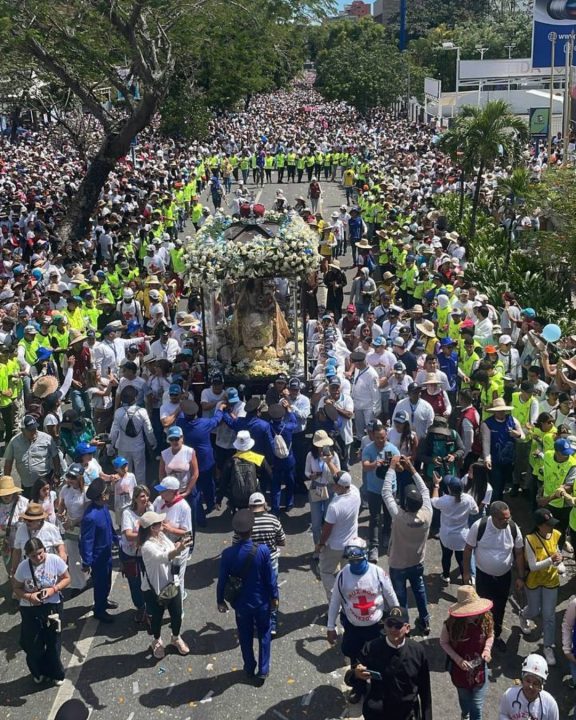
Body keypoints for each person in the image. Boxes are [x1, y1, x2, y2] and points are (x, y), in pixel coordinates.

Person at [327, 537, 398, 704]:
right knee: (355, 660)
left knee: (379, 660)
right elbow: (335, 601)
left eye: (357, 560)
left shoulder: (378, 573)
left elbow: (391, 597)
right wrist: (330, 626)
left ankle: (378, 689)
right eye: (351, 561)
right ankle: (358, 688)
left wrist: (397, 620)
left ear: (365, 555)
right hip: (354, 628)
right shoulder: (343, 576)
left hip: (376, 627)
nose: (355, 564)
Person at [217, 509, 279, 681]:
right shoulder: (263, 551)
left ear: (236, 532)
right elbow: (270, 578)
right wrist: (275, 597)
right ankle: (263, 669)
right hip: (261, 602)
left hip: (241, 604)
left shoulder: (227, 554)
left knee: (244, 636)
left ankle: (249, 667)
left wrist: (220, 600)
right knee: (264, 633)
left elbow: (222, 580)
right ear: (251, 530)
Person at [350, 605, 432, 720]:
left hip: (406, 713)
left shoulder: (418, 651)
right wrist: (356, 673)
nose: (393, 629)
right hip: (378, 713)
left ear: (407, 628)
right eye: (389, 624)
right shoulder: (371, 647)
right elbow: (352, 675)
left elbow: (425, 689)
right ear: (384, 625)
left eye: (398, 625)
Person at [463, 501, 525, 650]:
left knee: (500, 607)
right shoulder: (479, 527)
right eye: (503, 518)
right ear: (493, 517)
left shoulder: (513, 528)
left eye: (508, 517)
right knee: (482, 606)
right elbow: (468, 549)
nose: (507, 521)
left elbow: (519, 552)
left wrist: (521, 576)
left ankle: (494, 636)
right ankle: (481, 635)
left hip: (504, 577)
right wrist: (466, 573)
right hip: (484, 577)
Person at [383, 456, 432, 635]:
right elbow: (425, 490)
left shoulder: (399, 517)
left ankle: (405, 626)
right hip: (417, 561)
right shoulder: (427, 513)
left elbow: (386, 492)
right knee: (419, 591)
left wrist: (391, 467)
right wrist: (412, 468)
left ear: (404, 504)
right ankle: (425, 620)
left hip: (398, 563)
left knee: (400, 596)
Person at [12, 537, 70, 685]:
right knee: (33, 644)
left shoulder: (54, 560)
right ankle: (38, 671)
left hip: (52, 606)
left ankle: (56, 673)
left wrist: (53, 589)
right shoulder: (23, 567)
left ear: (44, 549)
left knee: (53, 642)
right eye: (33, 556)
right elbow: (16, 588)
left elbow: (66, 578)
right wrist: (30, 596)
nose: (38, 558)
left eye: (40, 553)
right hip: (30, 608)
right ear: (27, 556)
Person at [139, 510, 192, 659]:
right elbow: (162, 557)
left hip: (171, 583)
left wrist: (177, 546)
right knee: (156, 618)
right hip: (154, 589)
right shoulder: (147, 547)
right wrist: (178, 549)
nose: (162, 523)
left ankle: (175, 638)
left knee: (177, 614)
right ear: (151, 527)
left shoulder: (161, 536)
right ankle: (156, 641)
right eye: (159, 522)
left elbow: (170, 550)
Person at [440, 586, 494, 720]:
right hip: (460, 672)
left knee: (476, 706)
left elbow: (490, 635)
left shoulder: (486, 618)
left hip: (480, 669)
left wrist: (487, 649)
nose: (475, 613)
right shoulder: (450, 624)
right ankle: (465, 714)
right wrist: (458, 660)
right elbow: (444, 642)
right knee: (464, 701)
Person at [236, 492, 286, 636]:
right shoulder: (273, 520)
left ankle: (254, 622)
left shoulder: (244, 523)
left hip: (250, 564)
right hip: (271, 561)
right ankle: (273, 623)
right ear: (264, 505)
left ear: (249, 507)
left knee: (253, 591)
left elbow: (236, 543)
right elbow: (282, 541)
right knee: (272, 590)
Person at [519, 508, 563, 667]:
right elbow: (533, 565)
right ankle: (523, 615)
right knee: (534, 610)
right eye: (547, 524)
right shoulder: (530, 539)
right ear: (539, 526)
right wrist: (552, 560)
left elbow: (556, 551)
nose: (551, 527)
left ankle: (548, 646)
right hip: (534, 580)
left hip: (551, 580)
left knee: (549, 615)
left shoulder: (556, 534)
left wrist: (560, 562)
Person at [316, 470, 361, 600]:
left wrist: (320, 544)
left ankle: (334, 600)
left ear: (341, 486)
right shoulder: (355, 492)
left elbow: (327, 529)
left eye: (334, 484)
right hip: (351, 543)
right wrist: (329, 461)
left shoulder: (334, 507)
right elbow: (338, 472)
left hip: (335, 546)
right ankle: (348, 599)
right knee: (347, 573)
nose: (332, 486)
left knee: (326, 571)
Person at [79, 478, 118, 624]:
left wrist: (116, 539)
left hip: (106, 553)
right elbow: (87, 541)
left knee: (107, 581)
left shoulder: (103, 507)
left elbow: (110, 526)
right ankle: (99, 610)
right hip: (98, 558)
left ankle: (104, 601)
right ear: (102, 496)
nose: (109, 493)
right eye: (107, 492)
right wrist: (87, 562)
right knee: (100, 584)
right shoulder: (90, 517)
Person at [361, 425, 400, 562]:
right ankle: (374, 546)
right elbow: (365, 466)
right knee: (375, 518)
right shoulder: (368, 449)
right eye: (377, 438)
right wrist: (374, 464)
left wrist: (396, 464)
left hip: (390, 489)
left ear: (386, 436)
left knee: (389, 516)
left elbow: (400, 468)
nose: (380, 440)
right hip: (374, 490)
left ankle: (387, 536)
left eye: (382, 438)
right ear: (373, 436)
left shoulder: (393, 449)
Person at [432, 474, 478, 585]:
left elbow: (433, 501)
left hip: (446, 536)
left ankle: (446, 575)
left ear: (449, 489)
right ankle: (465, 580)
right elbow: (475, 511)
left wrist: (436, 485)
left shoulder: (445, 500)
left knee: (446, 556)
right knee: (462, 560)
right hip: (461, 536)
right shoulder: (468, 499)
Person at [4, 415, 63, 498]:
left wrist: (57, 474)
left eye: (35, 428)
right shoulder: (14, 442)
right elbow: (8, 462)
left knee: (47, 506)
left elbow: (55, 456)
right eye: (30, 430)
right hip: (27, 484)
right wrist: (7, 483)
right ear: (22, 430)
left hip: (45, 481)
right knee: (31, 509)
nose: (34, 431)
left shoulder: (46, 438)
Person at [153, 476, 193, 594]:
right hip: (163, 544)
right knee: (165, 573)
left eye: (163, 490)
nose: (160, 493)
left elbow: (187, 533)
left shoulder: (184, 507)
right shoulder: (159, 500)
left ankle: (178, 603)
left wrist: (171, 529)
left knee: (177, 577)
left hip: (178, 545)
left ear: (173, 492)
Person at [481, 397, 523, 502]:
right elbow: (486, 442)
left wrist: (517, 434)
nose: (501, 413)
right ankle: (495, 506)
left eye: (503, 410)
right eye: (498, 411)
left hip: (509, 461)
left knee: (504, 484)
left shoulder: (512, 420)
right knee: (496, 486)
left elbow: (523, 437)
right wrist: (487, 458)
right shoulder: (487, 424)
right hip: (495, 461)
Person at [120, 484, 151, 624]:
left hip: (146, 554)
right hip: (131, 555)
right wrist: (145, 535)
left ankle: (149, 607)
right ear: (136, 499)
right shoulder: (127, 513)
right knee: (135, 583)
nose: (145, 499)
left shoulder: (151, 510)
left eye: (147, 495)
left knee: (149, 581)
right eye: (142, 496)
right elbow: (127, 535)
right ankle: (140, 607)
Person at [305, 430, 340, 554]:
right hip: (316, 487)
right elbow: (306, 472)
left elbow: (338, 473)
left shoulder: (333, 455)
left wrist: (328, 462)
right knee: (315, 523)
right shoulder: (310, 455)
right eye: (319, 445)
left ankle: (327, 546)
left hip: (330, 488)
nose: (322, 448)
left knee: (328, 519)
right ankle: (317, 548)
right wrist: (312, 476)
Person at [56, 464, 88, 592]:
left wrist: (74, 521)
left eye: (73, 477)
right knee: (73, 556)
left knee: (85, 554)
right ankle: (78, 584)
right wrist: (62, 516)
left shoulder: (85, 491)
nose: (70, 479)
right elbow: (61, 505)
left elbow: (87, 511)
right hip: (70, 527)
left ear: (80, 478)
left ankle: (89, 574)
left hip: (83, 526)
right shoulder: (65, 489)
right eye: (68, 476)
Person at [498, 654, 559, 720]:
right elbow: (503, 714)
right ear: (522, 679)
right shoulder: (509, 695)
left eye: (535, 683)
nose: (531, 686)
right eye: (528, 681)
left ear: (541, 685)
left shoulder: (550, 704)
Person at [0, 474, 28, 579]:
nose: (6, 496)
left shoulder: (23, 502)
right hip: (5, 542)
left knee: (23, 565)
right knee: (10, 567)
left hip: (21, 542)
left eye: (9, 493)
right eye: (4, 493)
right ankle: (14, 585)